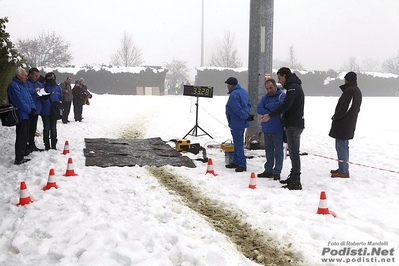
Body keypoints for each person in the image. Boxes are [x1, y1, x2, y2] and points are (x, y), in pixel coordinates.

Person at [259, 67, 305, 190]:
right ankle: (293, 176)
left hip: (293, 124)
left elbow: (286, 105)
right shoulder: (292, 87)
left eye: (279, 78)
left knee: (294, 153)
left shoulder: (293, 88)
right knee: (293, 153)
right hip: (292, 123)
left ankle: (296, 180)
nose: (280, 81)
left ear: (285, 76)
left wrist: (269, 114)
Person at [329, 71, 362, 178]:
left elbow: (344, 108)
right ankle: (343, 167)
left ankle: (343, 170)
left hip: (344, 123)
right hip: (349, 123)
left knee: (341, 146)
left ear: (347, 80)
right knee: (344, 146)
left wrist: (336, 116)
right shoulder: (356, 90)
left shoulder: (349, 91)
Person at [256, 78, 286, 180]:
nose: (269, 90)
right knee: (268, 151)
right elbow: (259, 109)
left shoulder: (282, 96)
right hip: (266, 128)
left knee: (278, 151)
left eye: (271, 88)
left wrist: (267, 106)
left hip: (277, 128)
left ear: (275, 86)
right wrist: (271, 108)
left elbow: (281, 106)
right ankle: (268, 170)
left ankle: (277, 171)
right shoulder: (265, 97)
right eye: (267, 88)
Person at [7, 68, 36, 165]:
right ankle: (19, 158)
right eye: (24, 75)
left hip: (27, 115)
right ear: (18, 76)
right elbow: (19, 101)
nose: (26, 77)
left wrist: (33, 108)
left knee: (25, 136)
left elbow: (29, 98)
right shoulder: (14, 86)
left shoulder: (23, 86)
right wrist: (28, 110)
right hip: (21, 115)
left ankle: (23, 153)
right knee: (21, 136)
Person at [224, 77, 252, 172]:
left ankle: (242, 164)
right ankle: (236, 161)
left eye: (227, 85)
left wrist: (245, 116)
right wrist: (247, 115)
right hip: (242, 122)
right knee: (237, 142)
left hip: (236, 122)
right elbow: (248, 105)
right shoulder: (243, 92)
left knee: (238, 143)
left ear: (230, 85)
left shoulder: (234, 94)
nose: (227, 87)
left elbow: (236, 109)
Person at [41, 72, 62, 150]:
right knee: (46, 128)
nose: (51, 79)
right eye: (49, 78)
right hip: (45, 111)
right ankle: (47, 145)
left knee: (53, 128)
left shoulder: (58, 87)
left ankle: (53, 145)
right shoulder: (43, 87)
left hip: (54, 111)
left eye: (52, 77)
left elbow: (60, 97)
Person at [25, 67, 44, 153]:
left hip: (37, 109)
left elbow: (43, 93)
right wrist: (34, 90)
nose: (36, 77)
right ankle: (26, 146)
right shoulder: (25, 82)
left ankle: (32, 144)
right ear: (30, 75)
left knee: (33, 128)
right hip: (28, 110)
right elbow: (24, 91)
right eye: (35, 75)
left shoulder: (39, 84)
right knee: (26, 129)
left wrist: (45, 96)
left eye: (38, 76)